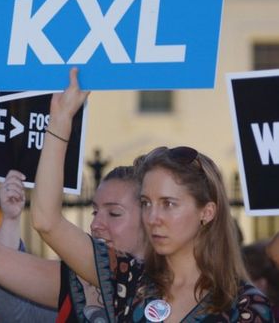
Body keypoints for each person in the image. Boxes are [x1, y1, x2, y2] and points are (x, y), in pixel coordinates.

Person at [28, 68, 273, 321]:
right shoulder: (128, 279)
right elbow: (46, 222)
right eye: (146, 203)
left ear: (207, 212)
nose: (153, 217)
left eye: (168, 203)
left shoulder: (246, 307)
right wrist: (60, 120)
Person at [0, 115, 145, 322]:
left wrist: (61, 121)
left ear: (149, 219)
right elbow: (1, 289)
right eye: (95, 212)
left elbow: (46, 222)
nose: (96, 224)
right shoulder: (81, 284)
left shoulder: (171, 281)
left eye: (114, 213)